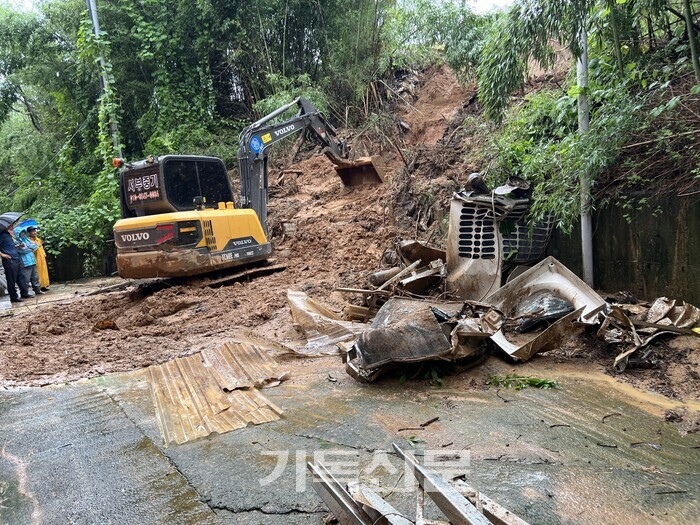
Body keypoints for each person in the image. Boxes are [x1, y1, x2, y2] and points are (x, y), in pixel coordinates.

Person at [15, 225, 43, 297]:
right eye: (21, 233)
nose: (23, 234)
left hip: (32, 260)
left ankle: (37, 290)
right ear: (18, 234)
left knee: (35, 277)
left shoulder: (27, 239)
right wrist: (29, 248)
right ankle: (25, 293)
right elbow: (22, 251)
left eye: (23, 232)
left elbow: (35, 246)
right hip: (25, 263)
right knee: (26, 279)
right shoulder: (17, 241)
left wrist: (28, 248)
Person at [0, 222, 24, 303]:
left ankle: (24, 293)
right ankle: (14, 297)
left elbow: (9, 246)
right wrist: (2, 254)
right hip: (9, 260)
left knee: (20, 277)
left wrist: (18, 247)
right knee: (11, 280)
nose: (12, 226)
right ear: (6, 226)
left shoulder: (8, 234)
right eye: (11, 225)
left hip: (16, 258)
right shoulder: (2, 235)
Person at [27, 226, 50, 291]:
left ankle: (44, 285)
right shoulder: (29, 241)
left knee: (44, 271)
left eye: (35, 231)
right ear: (29, 233)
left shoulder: (38, 239)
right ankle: (39, 286)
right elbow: (31, 250)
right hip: (36, 258)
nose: (35, 232)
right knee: (38, 272)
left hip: (41, 257)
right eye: (33, 231)